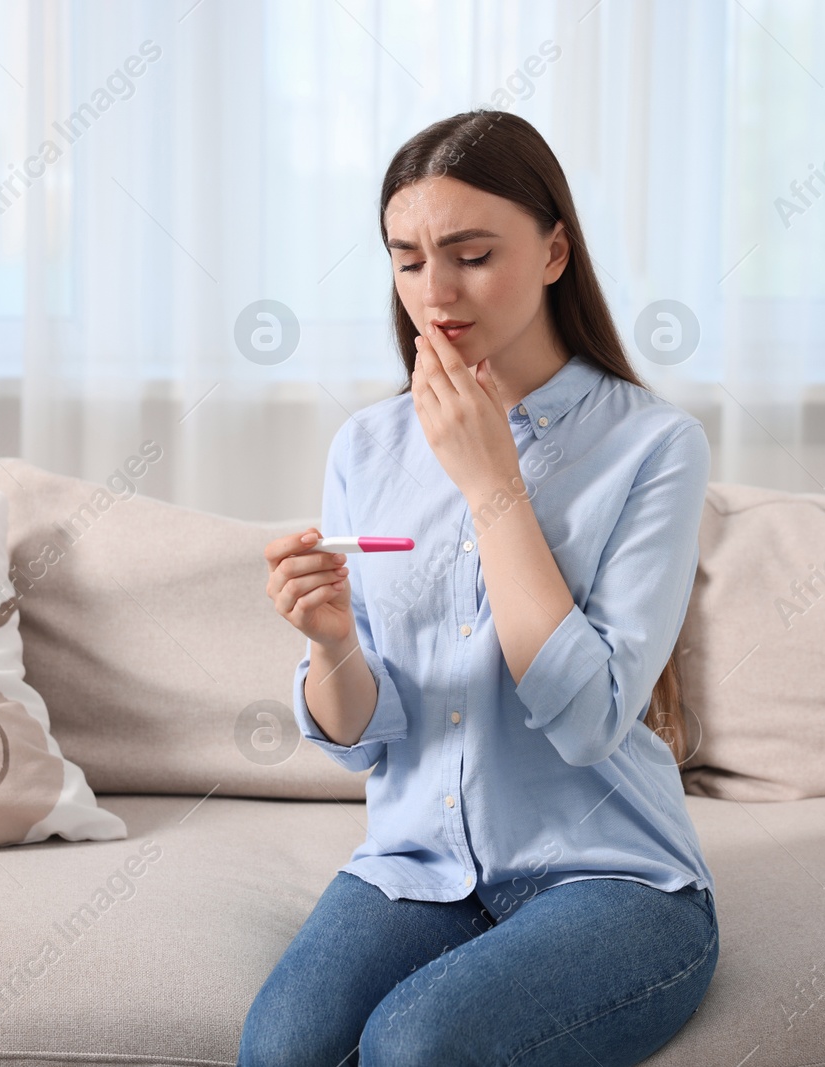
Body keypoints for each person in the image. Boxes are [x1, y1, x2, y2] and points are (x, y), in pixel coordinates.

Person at [245, 109, 717, 1067]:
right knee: (281, 1050)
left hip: (611, 876)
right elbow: (362, 743)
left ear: (553, 251)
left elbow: (591, 721)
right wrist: (331, 639)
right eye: (408, 260)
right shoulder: (366, 447)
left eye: (470, 254)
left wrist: (493, 483)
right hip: (417, 863)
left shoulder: (653, 447)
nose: (435, 292)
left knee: (417, 1046)